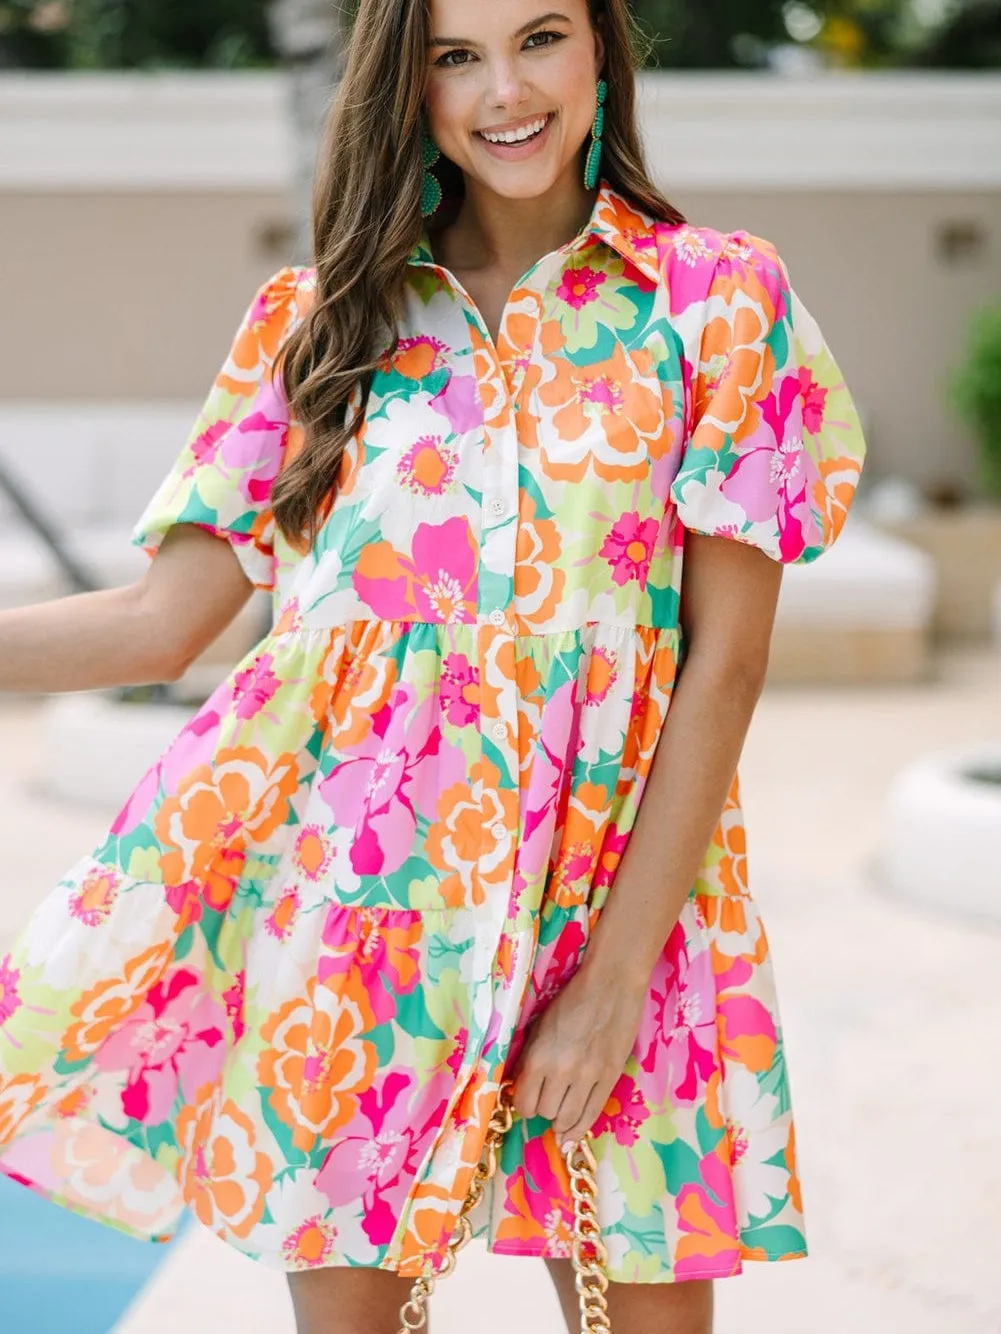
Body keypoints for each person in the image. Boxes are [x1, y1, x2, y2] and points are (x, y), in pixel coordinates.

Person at [0, 1, 867, 1331]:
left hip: (618, 910)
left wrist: (617, 976)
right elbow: (159, 623)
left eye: (540, 38)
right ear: (408, 83)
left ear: (600, 53)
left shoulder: (714, 300)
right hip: (365, 921)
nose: (504, 91)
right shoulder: (319, 324)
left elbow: (726, 662)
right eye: (456, 55)